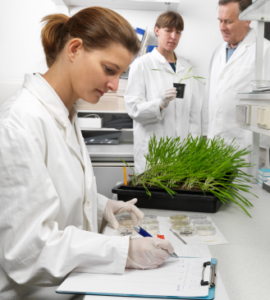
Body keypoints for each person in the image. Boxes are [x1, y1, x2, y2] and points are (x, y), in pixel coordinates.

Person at [0, 7, 175, 299]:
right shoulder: (19, 123)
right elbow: (27, 250)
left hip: (73, 287)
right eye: (109, 69)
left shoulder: (66, 112)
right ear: (75, 49)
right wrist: (124, 251)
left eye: (120, 73)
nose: (114, 85)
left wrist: (100, 204)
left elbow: (47, 193)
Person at [125, 11, 201, 174]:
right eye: (168, 30)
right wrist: (159, 105)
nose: (173, 36)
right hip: (152, 155)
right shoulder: (141, 65)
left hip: (182, 155)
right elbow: (133, 109)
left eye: (178, 32)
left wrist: (194, 150)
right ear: (157, 30)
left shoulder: (187, 69)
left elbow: (194, 115)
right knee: (153, 197)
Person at [202, 0, 270, 158]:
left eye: (228, 21)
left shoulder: (265, 50)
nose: (222, 27)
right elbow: (209, 98)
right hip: (214, 146)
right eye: (220, 21)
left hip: (246, 149)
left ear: (247, 20)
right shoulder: (218, 52)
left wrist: (261, 149)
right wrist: (205, 135)